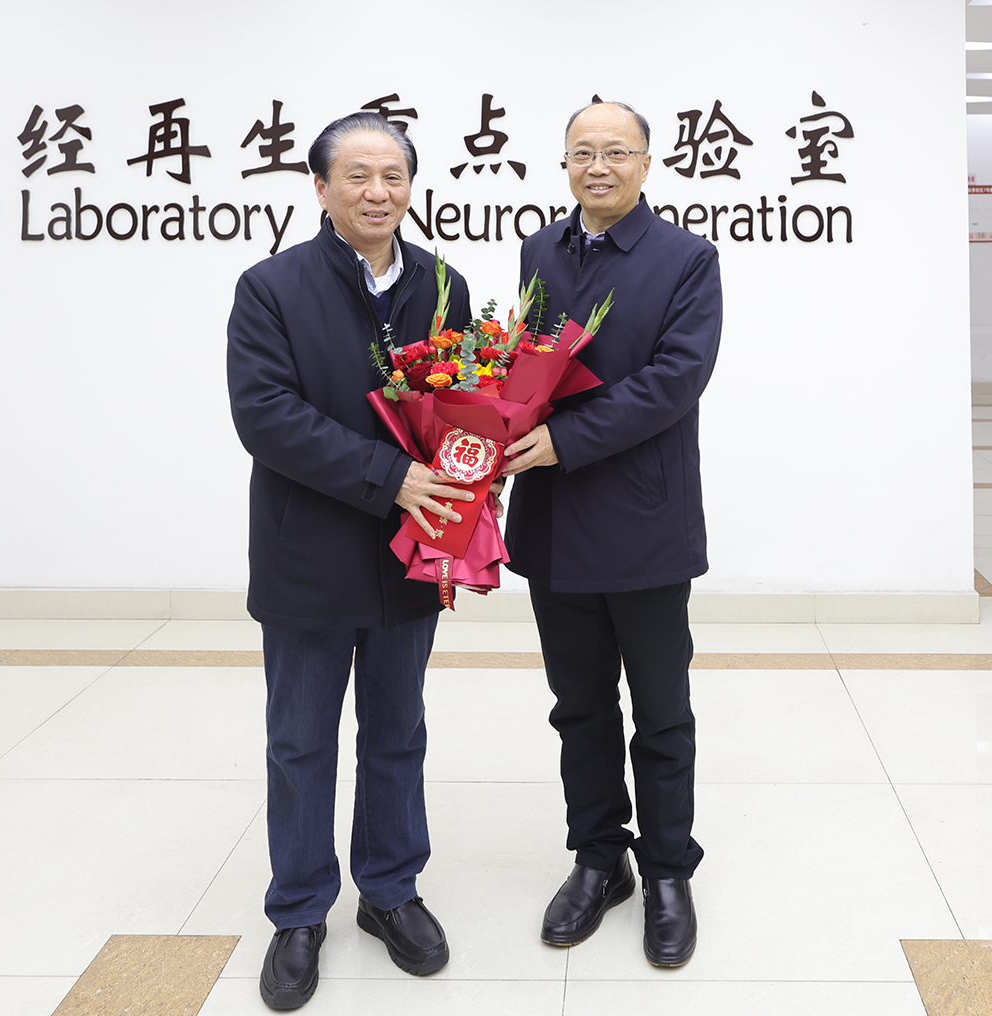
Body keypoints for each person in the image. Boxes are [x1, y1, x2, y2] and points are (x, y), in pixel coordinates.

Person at [226, 111, 475, 1010]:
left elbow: (468, 406)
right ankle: (299, 910)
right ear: (321, 187)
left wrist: (467, 489)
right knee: (300, 740)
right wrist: (391, 476)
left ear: (411, 186)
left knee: (397, 731)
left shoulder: (443, 286)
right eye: (358, 176)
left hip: (409, 555)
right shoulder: (272, 288)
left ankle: (390, 891)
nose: (378, 192)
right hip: (309, 556)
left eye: (394, 176)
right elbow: (266, 416)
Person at [500, 100, 722, 968]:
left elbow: (676, 378)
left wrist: (566, 439)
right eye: (583, 152)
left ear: (646, 164)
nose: (599, 166)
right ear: (564, 163)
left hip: (644, 519)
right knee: (580, 707)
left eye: (617, 151)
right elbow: (527, 365)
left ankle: (667, 870)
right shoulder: (540, 250)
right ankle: (599, 860)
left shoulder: (686, 259)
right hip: (555, 519)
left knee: (661, 712)